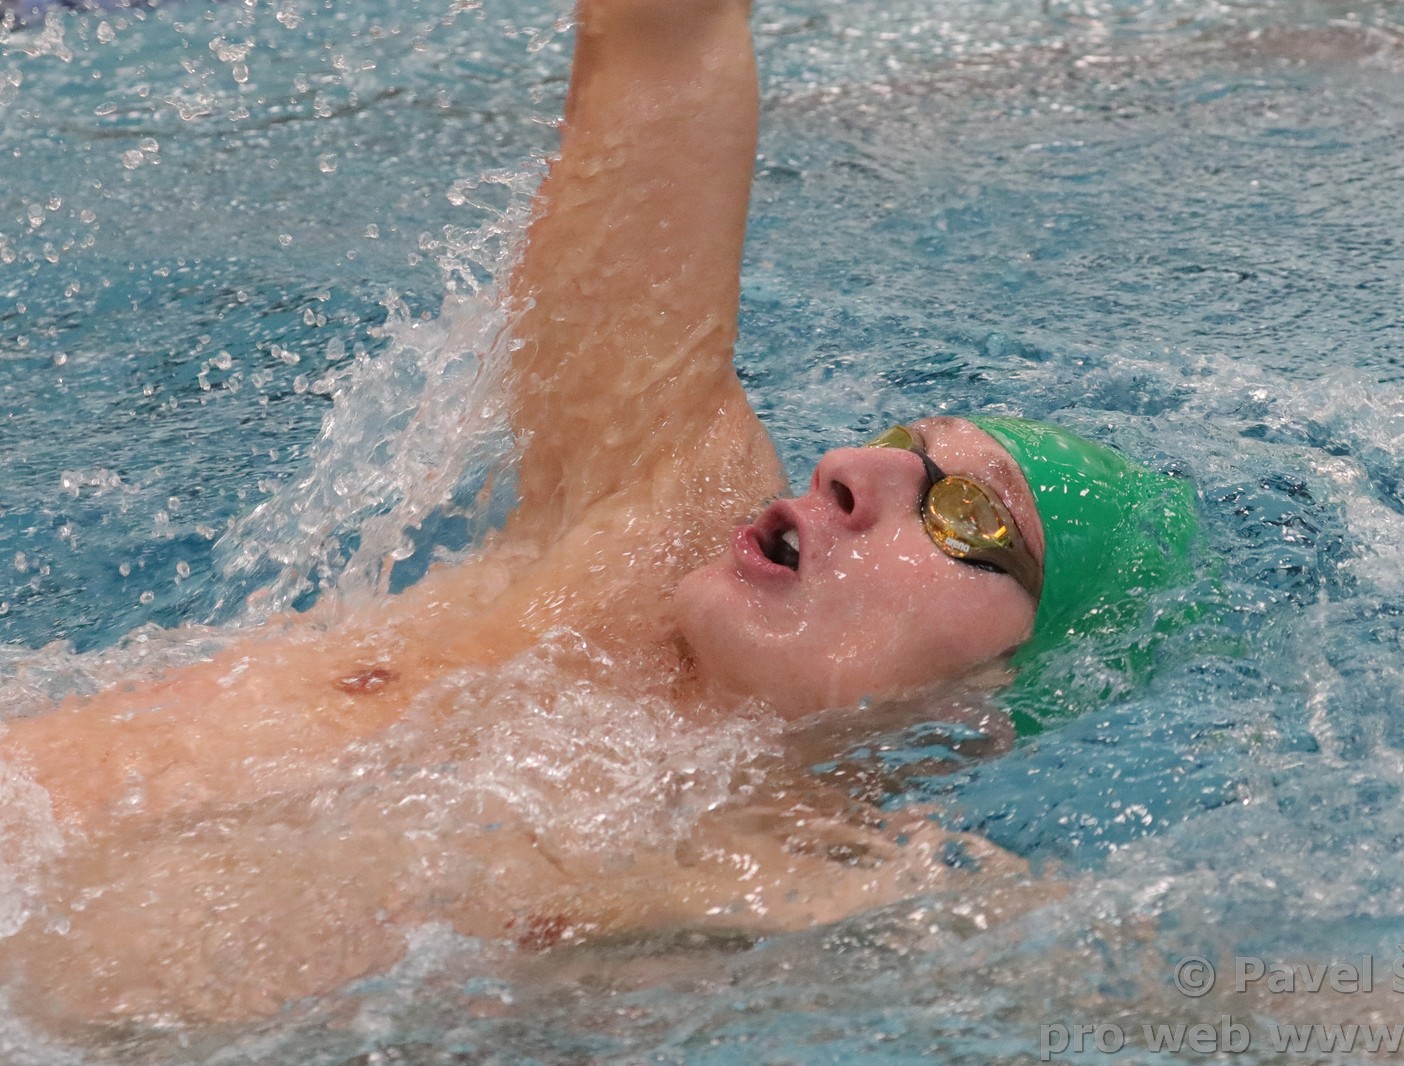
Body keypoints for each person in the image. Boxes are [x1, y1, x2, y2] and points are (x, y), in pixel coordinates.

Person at [0, 0, 1199, 1027]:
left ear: (998, 698)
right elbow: (664, 42)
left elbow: (1198, 1001)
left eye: (968, 519)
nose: (848, 468)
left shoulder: (826, 893)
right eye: (897, 446)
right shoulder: (640, 539)